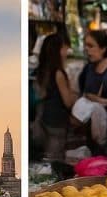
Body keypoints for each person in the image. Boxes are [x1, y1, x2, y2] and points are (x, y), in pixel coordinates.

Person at [34, 31, 75, 161]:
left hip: (45, 119)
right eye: (64, 47)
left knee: (48, 154)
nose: (67, 50)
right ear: (57, 50)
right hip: (57, 122)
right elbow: (68, 101)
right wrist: (76, 95)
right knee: (55, 158)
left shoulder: (43, 70)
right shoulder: (59, 73)